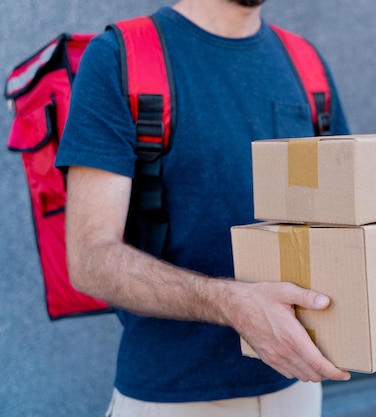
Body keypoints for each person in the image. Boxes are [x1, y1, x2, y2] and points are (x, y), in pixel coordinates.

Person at [55, 0, 351, 415]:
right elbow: (90, 258)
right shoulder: (123, 55)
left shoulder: (305, 63)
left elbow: (344, 223)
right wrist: (231, 304)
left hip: (298, 385)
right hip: (172, 396)